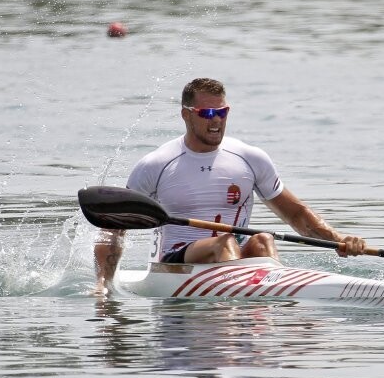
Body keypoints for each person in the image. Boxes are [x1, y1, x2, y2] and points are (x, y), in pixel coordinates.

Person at [94, 78, 366, 296]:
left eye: (222, 112)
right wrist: (103, 285)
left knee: (262, 240)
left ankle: (277, 296)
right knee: (224, 243)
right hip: (175, 266)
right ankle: (255, 301)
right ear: (186, 115)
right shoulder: (157, 164)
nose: (217, 120)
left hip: (235, 253)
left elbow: (296, 215)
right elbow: (114, 231)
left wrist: (339, 240)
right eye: (208, 113)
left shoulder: (250, 157)